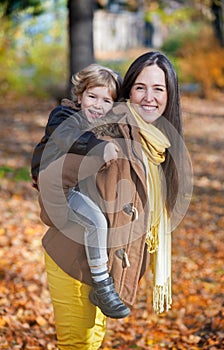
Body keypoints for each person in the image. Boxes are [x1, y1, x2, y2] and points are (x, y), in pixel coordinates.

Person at [37, 51, 192, 349]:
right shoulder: (105, 132)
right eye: (140, 88)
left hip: (106, 272)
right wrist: (67, 221)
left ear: (170, 95)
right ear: (128, 92)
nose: (149, 97)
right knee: (78, 345)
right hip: (74, 260)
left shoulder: (157, 144)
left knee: (93, 343)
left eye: (158, 89)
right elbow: (49, 179)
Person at [31, 63, 130, 319]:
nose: (97, 105)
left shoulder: (103, 125)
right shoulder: (63, 115)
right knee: (95, 221)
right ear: (79, 96)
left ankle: (100, 280)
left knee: (98, 220)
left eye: (106, 100)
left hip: (73, 187)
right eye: (92, 96)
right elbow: (68, 138)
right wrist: (99, 148)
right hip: (58, 189)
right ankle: (102, 285)